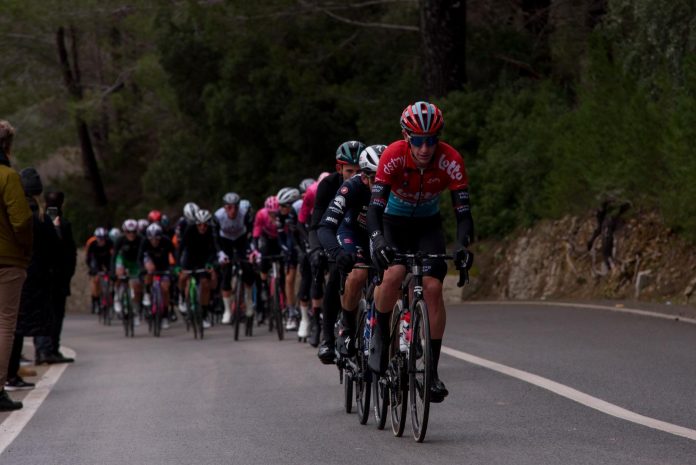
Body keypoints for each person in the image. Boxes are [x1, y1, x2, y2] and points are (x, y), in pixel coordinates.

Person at [367, 101, 474, 403]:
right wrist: (377, 240)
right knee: (393, 275)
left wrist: (462, 246)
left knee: (433, 287)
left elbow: (463, 213)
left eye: (431, 140)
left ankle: (433, 372)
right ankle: (378, 334)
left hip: (428, 225)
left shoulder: (451, 160)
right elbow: (375, 208)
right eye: (418, 140)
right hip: (393, 222)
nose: (425, 148)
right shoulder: (392, 156)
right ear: (406, 137)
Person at [318, 145, 385, 356]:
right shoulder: (351, 187)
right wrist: (338, 253)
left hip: (381, 235)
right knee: (357, 274)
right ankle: (346, 327)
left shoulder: (397, 186)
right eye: (373, 179)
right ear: (364, 178)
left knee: (394, 276)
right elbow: (325, 226)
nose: (379, 185)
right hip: (352, 233)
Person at [310, 141, 364, 363]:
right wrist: (316, 250)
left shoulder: (370, 183)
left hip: (362, 232)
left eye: (359, 170)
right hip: (335, 234)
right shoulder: (328, 186)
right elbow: (317, 224)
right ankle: (327, 340)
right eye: (349, 170)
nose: (355, 175)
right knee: (334, 275)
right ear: (339, 168)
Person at [8, 167, 59, 394]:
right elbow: (53, 247)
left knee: (12, 325)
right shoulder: (39, 217)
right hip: (31, 275)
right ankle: (11, 373)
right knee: (15, 326)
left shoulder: (12, 211)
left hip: (15, 269)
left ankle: (11, 372)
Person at [0, 120, 33, 411]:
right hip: (7, 260)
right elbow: (22, 221)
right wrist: (26, 248)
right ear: (7, 146)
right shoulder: (8, 177)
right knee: (5, 323)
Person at [34, 191, 76, 363]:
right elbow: (66, 251)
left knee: (48, 313)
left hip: (47, 276)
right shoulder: (58, 223)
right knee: (53, 314)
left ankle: (48, 350)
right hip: (53, 276)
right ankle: (47, 350)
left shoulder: (40, 219)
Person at [214, 192, 254, 325]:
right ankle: (227, 310)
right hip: (225, 242)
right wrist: (220, 253)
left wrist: (252, 250)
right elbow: (215, 237)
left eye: (235, 207)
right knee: (226, 272)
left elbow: (251, 232)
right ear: (224, 208)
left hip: (241, 240)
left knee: (247, 267)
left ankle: (248, 301)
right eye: (229, 207)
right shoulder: (218, 216)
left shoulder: (244, 214)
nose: (232, 211)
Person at [178, 209, 218, 328]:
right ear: (196, 224)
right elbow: (181, 248)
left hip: (204, 258)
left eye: (205, 224)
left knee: (205, 284)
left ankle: (204, 315)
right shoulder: (190, 230)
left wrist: (211, 264)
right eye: (200, 224)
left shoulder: (211, 232)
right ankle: (182, 298)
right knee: (183, 276)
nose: (202, 227)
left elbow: (214, 250)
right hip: (190, 257)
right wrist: (177, 265)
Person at [139, 223, 175, 329]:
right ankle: (147, 292)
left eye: (157, 239)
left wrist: (175, 267)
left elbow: (174, 254)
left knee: (165, 288)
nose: (154, 241)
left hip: (164, 265)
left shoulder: (166, 241)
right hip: (151, 262)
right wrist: (142, 268)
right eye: (152, 239)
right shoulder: (145, 242)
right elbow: (140, 257)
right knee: (149, 270)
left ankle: (164, 315)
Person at [113, 219, 143, 326]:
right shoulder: (120, 240)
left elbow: (144, 255)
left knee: (136, 285)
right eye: (128, 232)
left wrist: (142, 269)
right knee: (119, 274)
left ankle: (135, 310)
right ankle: (117, 296)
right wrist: (113, 272)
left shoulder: (140, 239)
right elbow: (114, 256)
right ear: (124, 232)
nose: (131, 234)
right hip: (123, 260)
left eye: (134, 232)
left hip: (135, 262)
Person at [86, 227, 113, 313]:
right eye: (99, 238)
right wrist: (92, 269)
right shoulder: (92, 244)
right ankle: (96, 302)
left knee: (113, 279)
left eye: (103, 238)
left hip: (107, 261)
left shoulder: (110, 243)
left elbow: (113, 256)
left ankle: (112, 298)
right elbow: (89, 259)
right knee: (96, 280)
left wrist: (112, 269)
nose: (101, 240)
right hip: (96, 262)